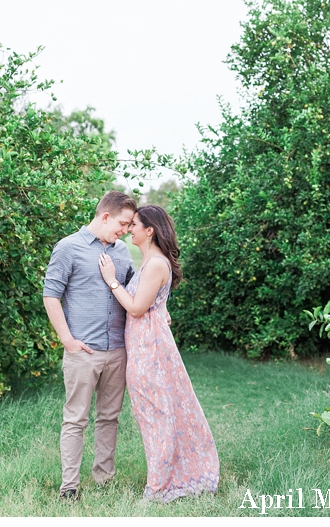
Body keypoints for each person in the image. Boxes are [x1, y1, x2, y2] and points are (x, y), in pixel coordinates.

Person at [99, 204, 219, 502]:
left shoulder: (155, 264)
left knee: (156, 417)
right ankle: (167, 476)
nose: (129, 229)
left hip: (149, 351)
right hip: (145, 347)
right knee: (155, 415)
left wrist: (112, 279)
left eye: (134, 225)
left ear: (149, 230)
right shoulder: (151, 262)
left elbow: (138, 308)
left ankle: (159, 487)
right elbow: (154, 304)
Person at [43, 191, 137, 500]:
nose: (124, 230)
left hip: (118, 350)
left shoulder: (123, 252)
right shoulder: (68, 248)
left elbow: (135, 291)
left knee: (110, 417)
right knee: (76, 418)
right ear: (106, 216)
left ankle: (104, 478)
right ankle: (69, 486)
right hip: (84, 352)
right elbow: (51, 295)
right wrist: (67, 341)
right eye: (123, 223)